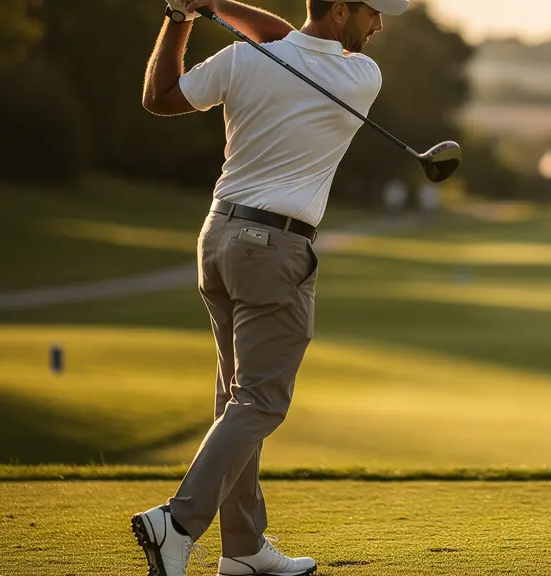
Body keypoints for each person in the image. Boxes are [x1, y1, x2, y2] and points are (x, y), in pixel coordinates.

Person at [130, 0, 409, 574]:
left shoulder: (242, 58)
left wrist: (185, 14)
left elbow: (160, 97)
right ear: (339, 11)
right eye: (372, 13)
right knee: (261, 401)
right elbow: (286, 36)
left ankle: (244, 550)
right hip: (276, 250)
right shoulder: (361, 76)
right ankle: (177, 522)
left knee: (236, 398)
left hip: (218, 238)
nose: (379, 24)